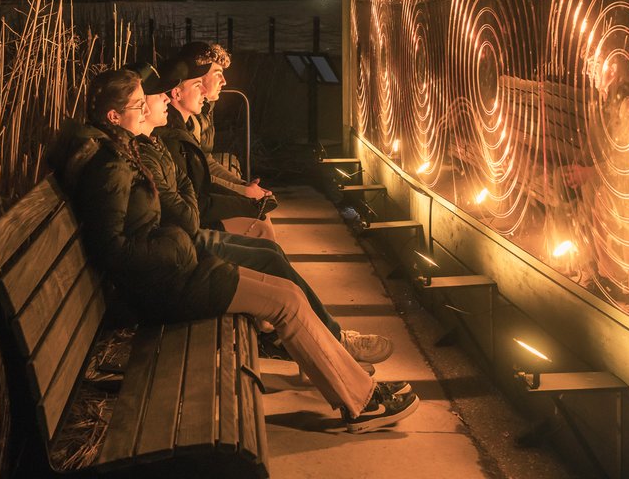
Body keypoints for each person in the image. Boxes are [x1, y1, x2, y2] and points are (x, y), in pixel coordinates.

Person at [49, 68, 419, 433]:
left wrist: (174, 240)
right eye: (136, 105)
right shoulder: (111, 166)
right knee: (285, 302)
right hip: (164, 287)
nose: (145, 109)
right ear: (114, 117)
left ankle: (359, 390)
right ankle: (361, 404)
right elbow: (111, 249)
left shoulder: (122, 153)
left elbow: (159, 213)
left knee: (287, 292)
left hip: (176, 271)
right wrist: (174, 242)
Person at [128, 59, 394, 367]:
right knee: (266, 247)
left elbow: (194, 180)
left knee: (268, 247)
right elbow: (189, 203)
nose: (215, 85)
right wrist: (244, 198)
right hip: (181, 253)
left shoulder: (158, 140)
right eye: (202, 81)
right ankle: (312, 339)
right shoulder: (158, 142)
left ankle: (303, 337)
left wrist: (241, 189)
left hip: (182, 243)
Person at [155, 56, 275, 240]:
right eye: (197, 84)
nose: (204, 90)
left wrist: (245, 192)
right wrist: (246, 198)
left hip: (190, 221)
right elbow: (196, 194)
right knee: (261, 229)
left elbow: (201, 177)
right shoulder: (172, 137)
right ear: (176, 94)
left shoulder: (186, 126)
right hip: (185, 231)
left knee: (262, 224)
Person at [174, 41, 270, 201]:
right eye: (218, 74)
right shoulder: (184, 114)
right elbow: (194, 175)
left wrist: (243, 185)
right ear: (199, 74)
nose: (224, 81)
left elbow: (205, 159)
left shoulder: (206, 107)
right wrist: (242, 191)